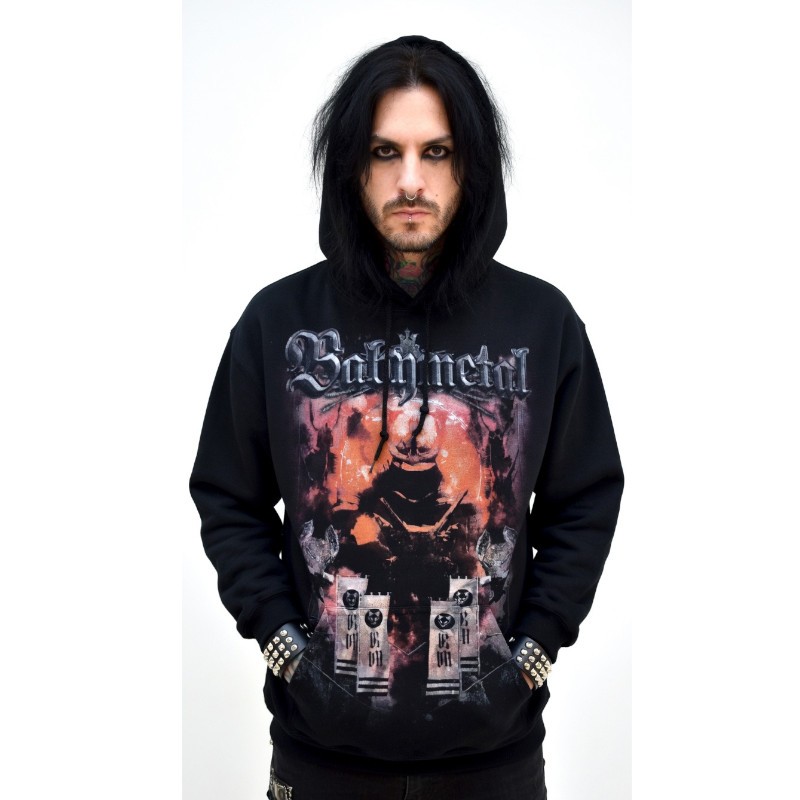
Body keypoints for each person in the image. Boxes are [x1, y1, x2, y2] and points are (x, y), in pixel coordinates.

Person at [190, 34, 623, 799]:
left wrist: (530, 656)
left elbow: (584, 499)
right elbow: (228, 496)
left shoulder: (542, 322)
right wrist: (285, 645)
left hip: (493, 765)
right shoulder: (278, 323)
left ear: (471, 164)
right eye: (385, 152)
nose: (411, 180)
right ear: (351, 166)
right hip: (322, 762)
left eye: (437, 151)